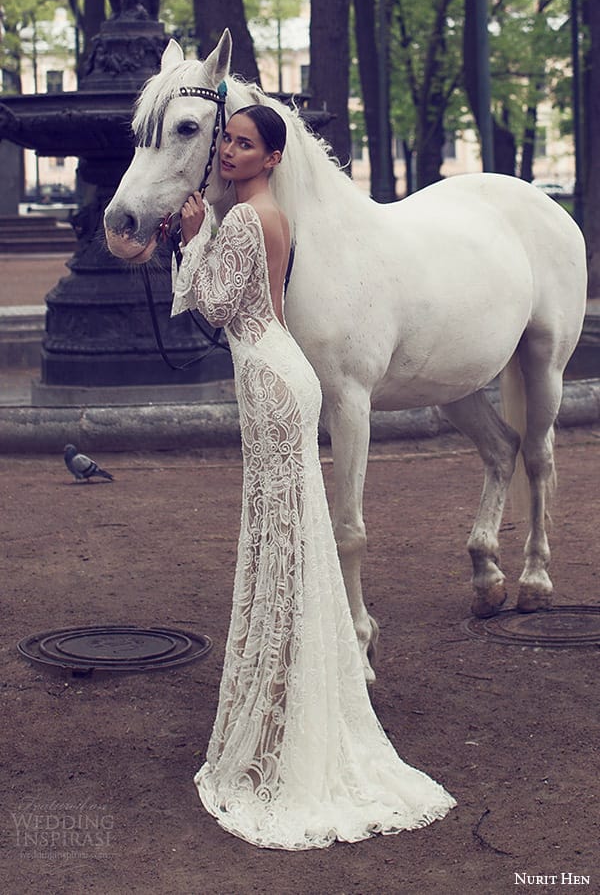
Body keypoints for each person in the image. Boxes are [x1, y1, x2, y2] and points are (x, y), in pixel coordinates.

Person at [171, 103, 456, 850]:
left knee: (281, 537)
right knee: (288, 538)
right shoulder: (269, 213)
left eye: (243, 145)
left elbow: (216, 309)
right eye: (225, 141)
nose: (228, 153)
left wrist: (192, 241)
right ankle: (286, 703)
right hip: (284, 376)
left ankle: (283, 714)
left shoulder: (241, 219)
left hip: (269, 381)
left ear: (271, 158)